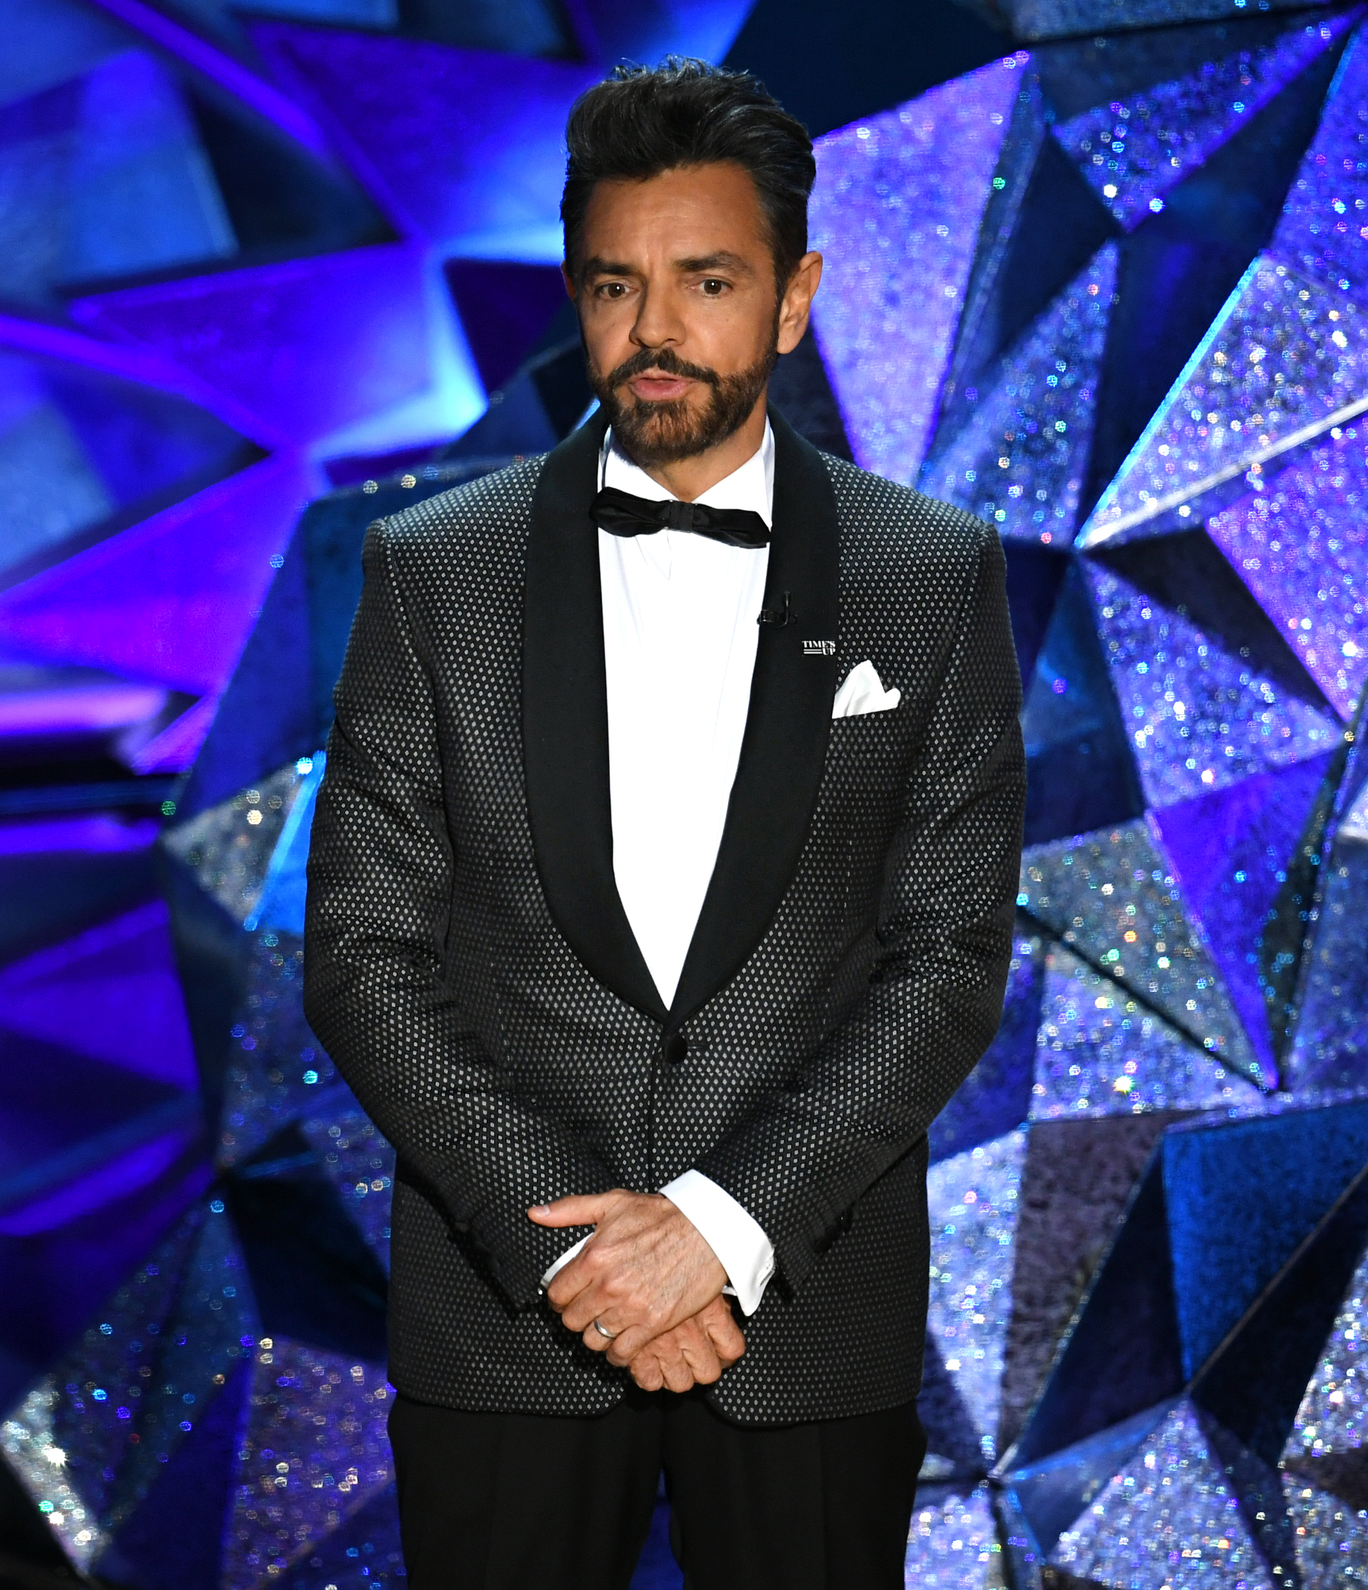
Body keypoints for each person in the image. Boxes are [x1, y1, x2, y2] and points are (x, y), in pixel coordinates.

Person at [303, 57, 1025, 1590]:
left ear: (794, 297)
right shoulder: (432, 571)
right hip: (512, 1325)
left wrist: (717, 1224)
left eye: (708, 280)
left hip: (803, 1323)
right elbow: (364, 956)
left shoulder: (928, 572)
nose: (654, 330)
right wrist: (576, 1245)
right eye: (615, 285)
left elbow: (949, 958)